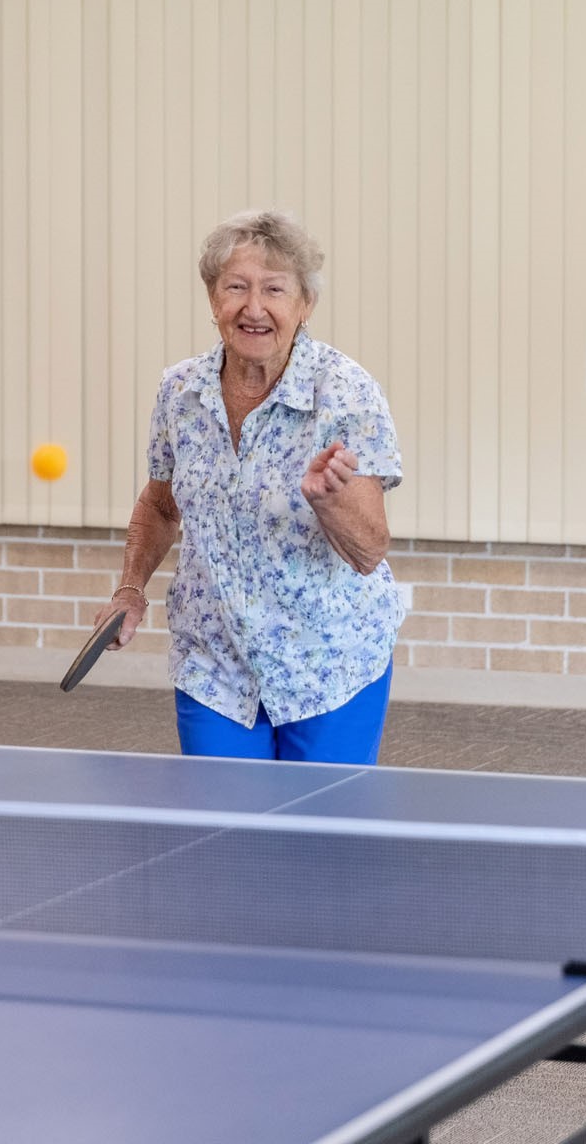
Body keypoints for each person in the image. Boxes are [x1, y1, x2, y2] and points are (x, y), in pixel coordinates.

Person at [95, 209, 405, 764]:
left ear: (304, 305)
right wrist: (130, 590)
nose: (253, 307)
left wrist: (329, 503)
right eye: (235, 287)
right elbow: (161, 504)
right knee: (225, 837)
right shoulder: (180, 391)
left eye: (274, 290)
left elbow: (369, 551)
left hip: (327, 665)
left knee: (320, 841)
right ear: (214, 300)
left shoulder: (346, 394)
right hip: (215, 666)